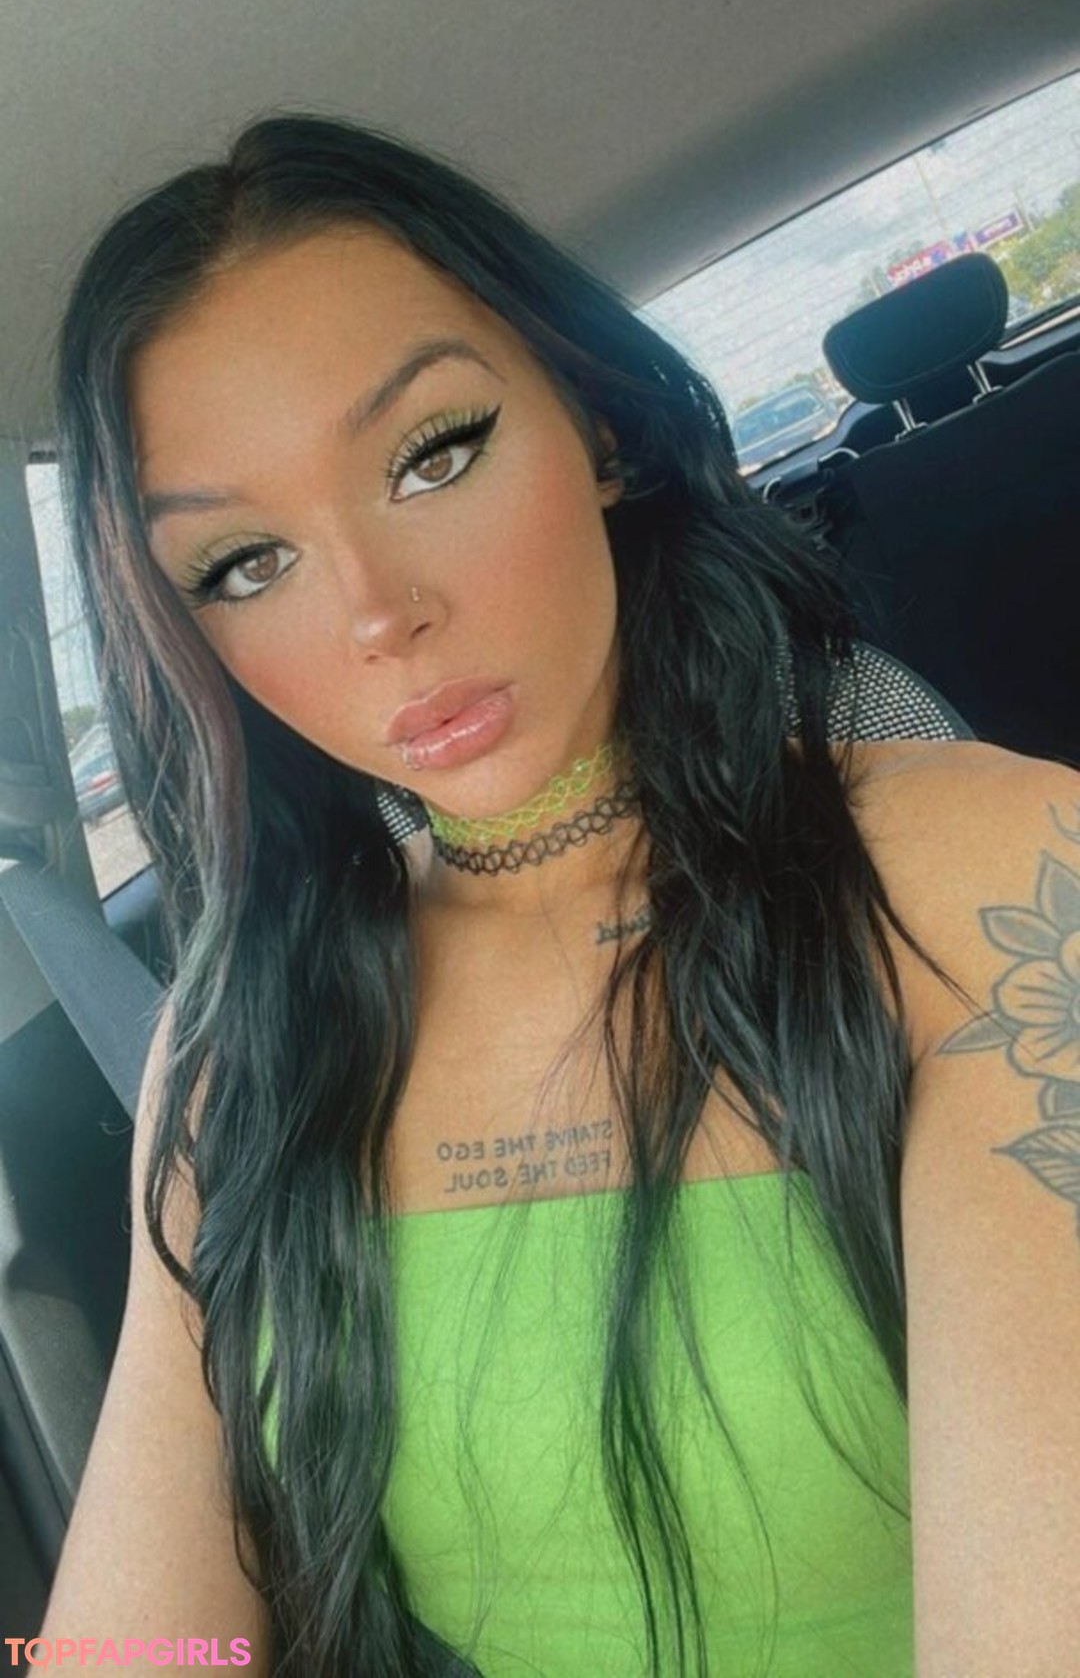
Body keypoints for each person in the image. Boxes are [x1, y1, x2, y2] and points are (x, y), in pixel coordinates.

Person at [40, 115, 1078, 1678]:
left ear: (597, 426)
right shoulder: (237, 1040)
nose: (379, 613)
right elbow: (139, 1647)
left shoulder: (1000, 875)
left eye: (433, 454)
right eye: (246, 563)